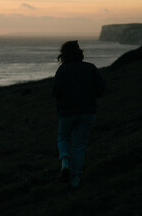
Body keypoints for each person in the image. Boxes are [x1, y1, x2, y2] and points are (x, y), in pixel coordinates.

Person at [52, 41, 105, 188]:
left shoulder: (62, 70)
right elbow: (101, 88)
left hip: (67, 113)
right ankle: (75, 178)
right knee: (79, 145)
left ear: (63, 54)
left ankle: (65, 162)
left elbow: (55, 91)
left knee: (63, 138)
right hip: (88, 112)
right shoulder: (90, 68)